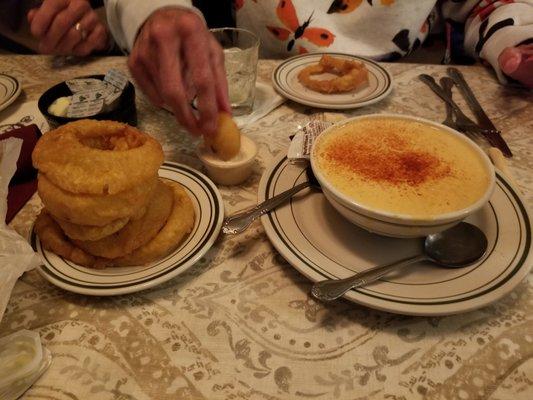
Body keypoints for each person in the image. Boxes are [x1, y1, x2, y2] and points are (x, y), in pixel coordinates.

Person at [27, 0, 533, 137]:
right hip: (263, 103)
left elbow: (488, 3)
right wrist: (152, 12)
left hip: (412, 102)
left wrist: (519, 42)